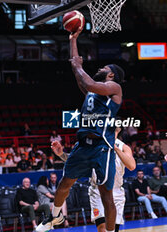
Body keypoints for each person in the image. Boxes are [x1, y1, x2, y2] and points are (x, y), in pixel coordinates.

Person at [36, 25, 124, 232]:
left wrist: (78, 66)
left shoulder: (114, 88)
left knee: (106, 195)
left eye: (106, 68)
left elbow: (86, 78)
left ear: (111, 75)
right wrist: (72, 40)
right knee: (65, 183)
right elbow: (77, 73)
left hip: (102, 148)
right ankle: (55, 216)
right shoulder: (92, 93)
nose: (101, 68)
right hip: (83, 146)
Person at [51, 126, 136, 232]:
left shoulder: (123, 147)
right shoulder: (94, 143)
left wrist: (115, 148)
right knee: (101, 228)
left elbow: (132, 166)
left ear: (118, 131)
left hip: (116, 192)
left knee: (113, 230)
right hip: (97, 191)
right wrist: (61, 154)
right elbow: (76, 160)